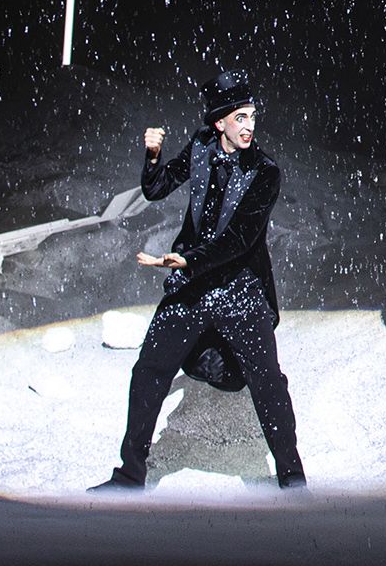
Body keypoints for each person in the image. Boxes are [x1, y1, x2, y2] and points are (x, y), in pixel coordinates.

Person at [90, 70, 305, 491]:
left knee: (267, 381)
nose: (248, 126)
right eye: (239, 118)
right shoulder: (202, 147)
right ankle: (131, 475)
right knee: (150, 369)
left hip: (240, 286)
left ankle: (293, 479)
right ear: (219, 122)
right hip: (190, 284)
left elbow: (240, 240)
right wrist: (152, 156)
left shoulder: (265, 172)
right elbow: (156, 189)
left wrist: (188, 261)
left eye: (252, 117)